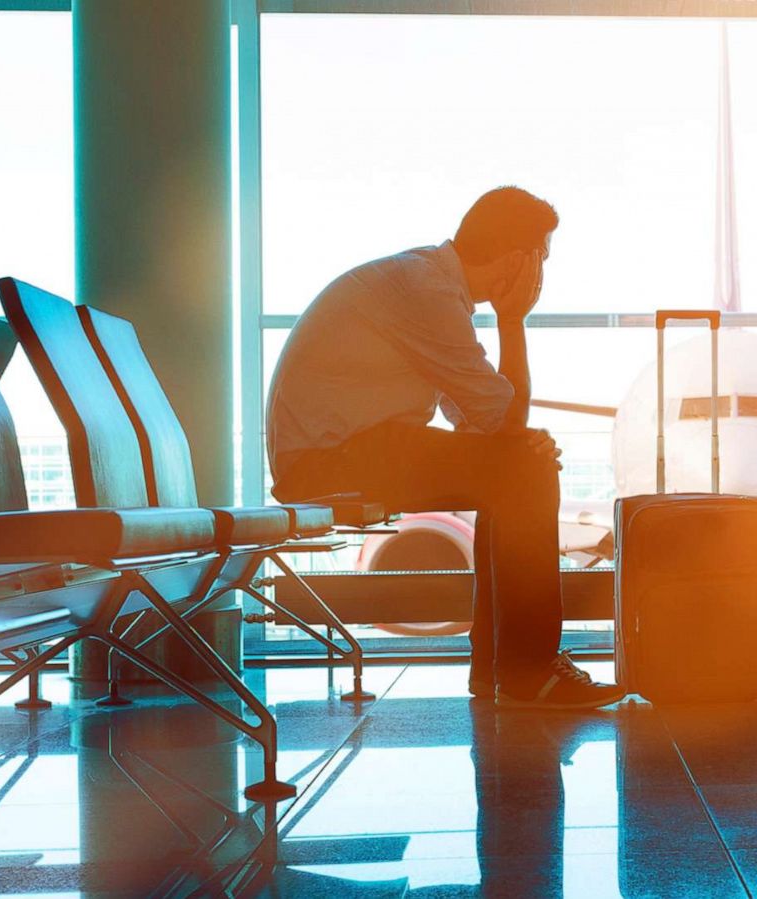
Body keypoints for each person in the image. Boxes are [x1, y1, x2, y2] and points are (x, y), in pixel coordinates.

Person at [266, 186, 624, 710]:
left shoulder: (430, 288)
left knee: (515, 472)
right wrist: (513, 321)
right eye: (541, 256)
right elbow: (503, 421)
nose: (542, 273)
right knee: (521, 474)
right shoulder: (426, 291)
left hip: (347, 448)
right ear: (517, 259)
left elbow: (484, 426)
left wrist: (518, 443)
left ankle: (504, 667)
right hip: (333, 458)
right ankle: (525, 669)